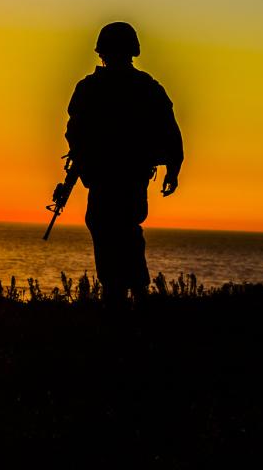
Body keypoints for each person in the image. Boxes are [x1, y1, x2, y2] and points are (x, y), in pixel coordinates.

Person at [65, 22, 183, 305]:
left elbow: (75, 134)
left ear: (102, 52)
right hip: (128, 175)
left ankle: (120, 293)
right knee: (124, 228)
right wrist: (173, 169)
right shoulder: (147, 87)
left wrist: (173, 168)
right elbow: (170, 132)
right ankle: (130, 292)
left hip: (109, 175)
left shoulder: (91, 88)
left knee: (110, 228)